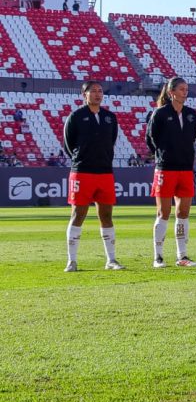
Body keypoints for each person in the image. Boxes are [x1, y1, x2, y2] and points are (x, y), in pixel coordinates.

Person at [61, 81, 123, 272]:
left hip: (105, 172)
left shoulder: (110, 118)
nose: (97, 94)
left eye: (100, 91)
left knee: (106, 215)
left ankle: (111, 260)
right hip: (82, 172)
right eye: (93, 91)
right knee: (78, 214)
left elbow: (111, 141)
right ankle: (72, 261)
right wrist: (82, 159)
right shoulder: (76, 116)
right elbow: (68, 144)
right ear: (84, 95)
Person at [147, 76, 196, 268]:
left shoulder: (192, 114)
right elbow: (151, 139)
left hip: (185, 169)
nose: (184, 92)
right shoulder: (160, 114)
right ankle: (158, 256)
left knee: (183, 212)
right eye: (181, 89)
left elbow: (193, 137)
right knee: (163, 212)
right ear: (171, 93)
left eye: (186, 89)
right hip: (166, 169)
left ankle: (182, 256)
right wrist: (163, 156)